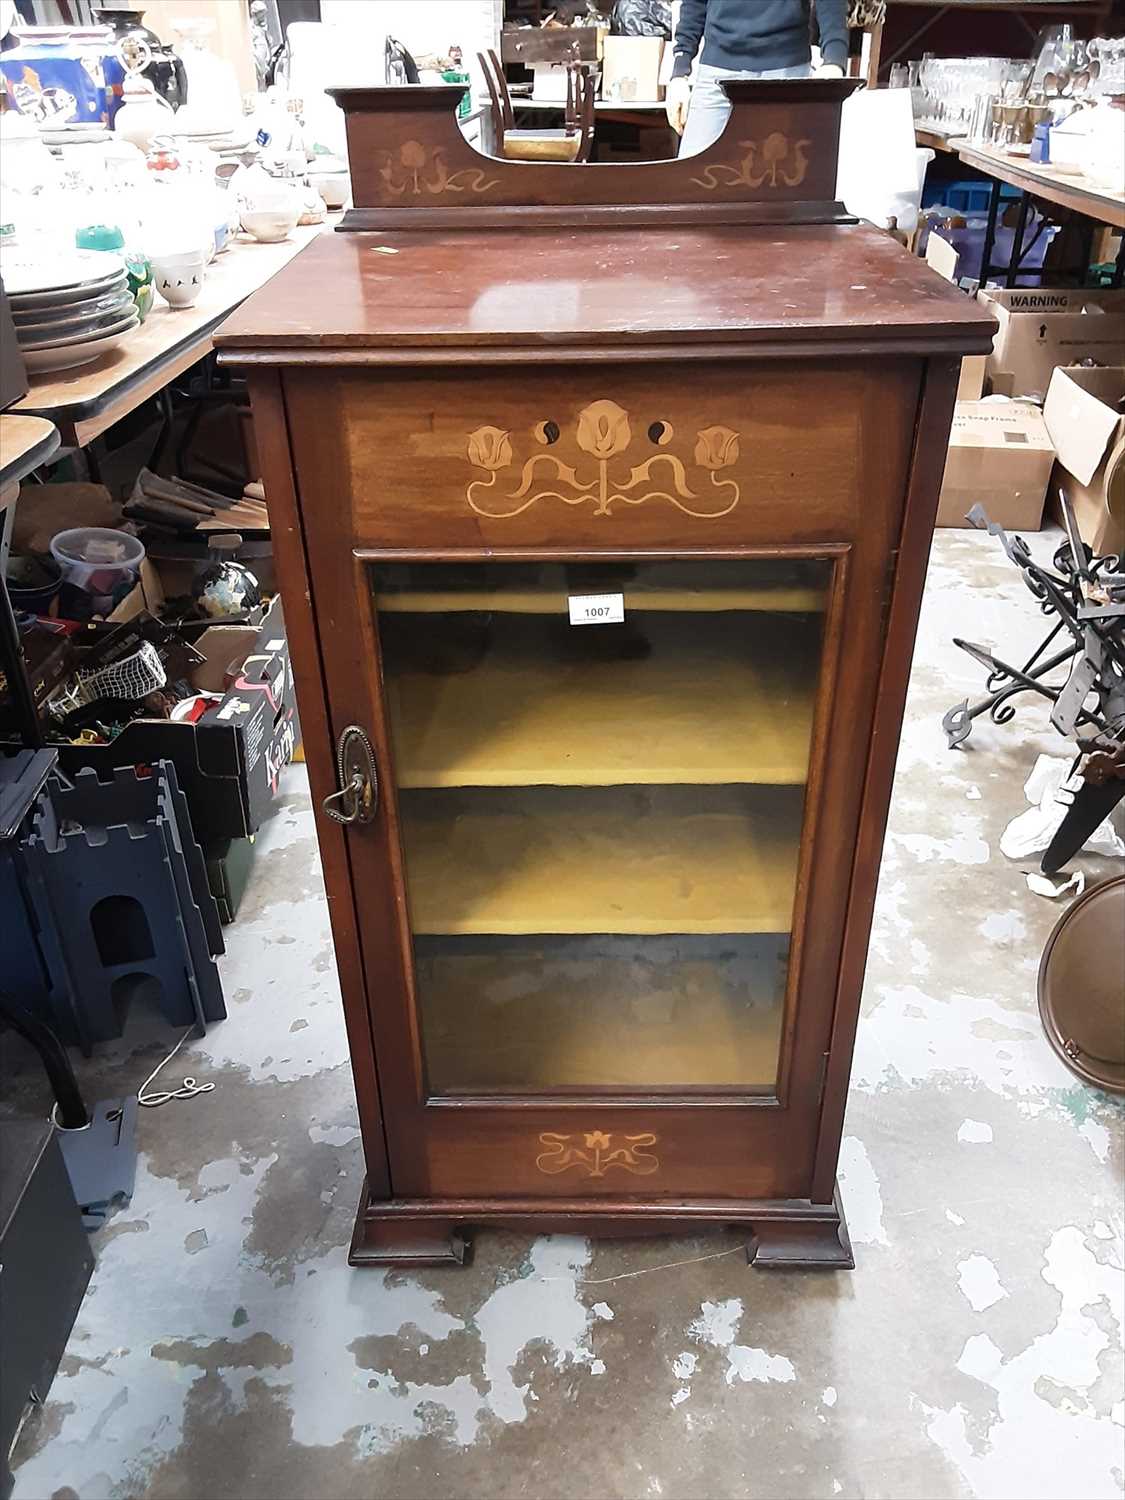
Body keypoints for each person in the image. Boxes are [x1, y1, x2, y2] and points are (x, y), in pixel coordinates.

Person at [667, 0, 849, 157]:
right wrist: (679, 73)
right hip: (718, 71)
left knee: (793, 181)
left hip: (788, 70)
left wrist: (834, 60)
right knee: (692, 184)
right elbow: (694, 3)